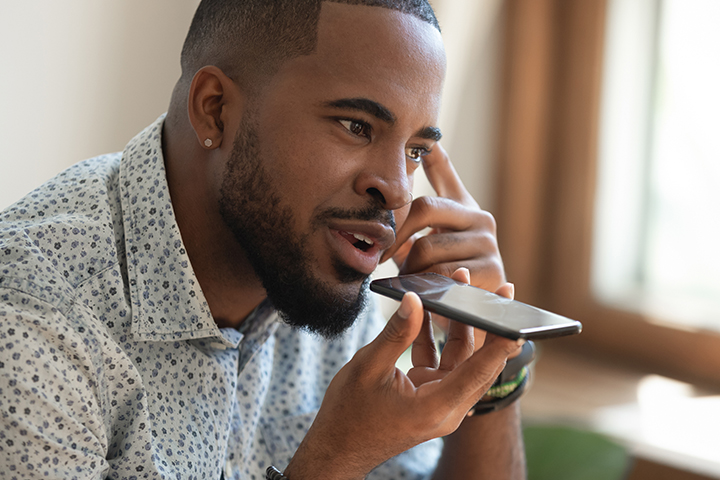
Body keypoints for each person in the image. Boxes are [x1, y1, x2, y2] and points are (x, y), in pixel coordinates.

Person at [0, 1, 529, 478]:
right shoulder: (30, 320)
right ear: (215, 109)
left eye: (415, 151)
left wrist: (490, 363)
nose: (393, 190)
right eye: (355, 125)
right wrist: (334, 460)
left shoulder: (328, 272)